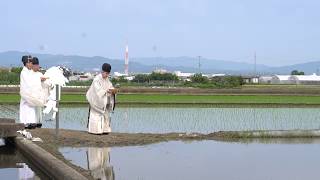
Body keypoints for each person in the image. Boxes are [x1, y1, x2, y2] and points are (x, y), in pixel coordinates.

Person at [86, 63, 117, 134]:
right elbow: (98, 92)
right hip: (95, 101)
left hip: (103, 102)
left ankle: (105, 130)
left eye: (107, 74)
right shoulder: (96, 79)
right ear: (102, 71)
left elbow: (110, 86)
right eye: (105, 73)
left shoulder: (106, 79)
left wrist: (113, 91)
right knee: (96, 116)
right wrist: (108, 90)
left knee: (106, 115)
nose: (106, 75)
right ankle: (94, 131)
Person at [19, 55, 37, 128]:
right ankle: (25, 123)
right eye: (30, 63)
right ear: (26, 63)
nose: (31, 64)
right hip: (26, 93)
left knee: (30, 108)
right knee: (25, 108)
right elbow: (29, 83)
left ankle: (30, 122)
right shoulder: (24, 72)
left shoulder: (28, 71)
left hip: (29, 93)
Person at [30, 57, 48, 128]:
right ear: (33, 66)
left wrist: (43, 80)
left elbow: (44, 82)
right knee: (32, 109)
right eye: (36, 66)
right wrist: (39, 79)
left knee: (39, 109)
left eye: (38, 66)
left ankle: (39, 123)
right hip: (31, 95)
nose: (38, 67)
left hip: (39, 95)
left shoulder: (40, 73)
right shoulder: (29, 74)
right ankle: (32, 123)